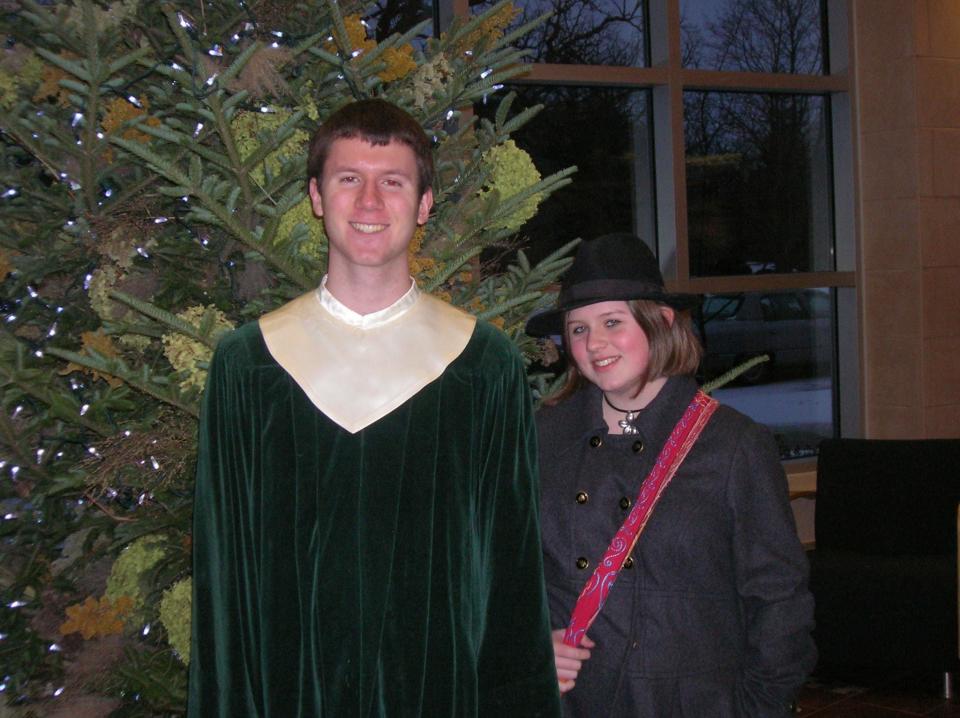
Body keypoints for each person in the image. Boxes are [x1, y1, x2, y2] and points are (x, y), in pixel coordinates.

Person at [188, 99, 562, 717]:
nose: (368, 203)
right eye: (347, 179)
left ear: (423, 204)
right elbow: (224, 587)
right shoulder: (249, 367)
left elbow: (512, 583)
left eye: (392, 182)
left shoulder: (481, 366)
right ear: (315, 196)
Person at [525, 233, 816, 716]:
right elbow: (506, 573)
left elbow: (780, 602)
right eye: (577, 330)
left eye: (612, 322)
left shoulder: (732, 444)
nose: (593, 343)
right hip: (574, 704)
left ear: (659, 323)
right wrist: (530, 644)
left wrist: (753, 708)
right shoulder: (544, 435)